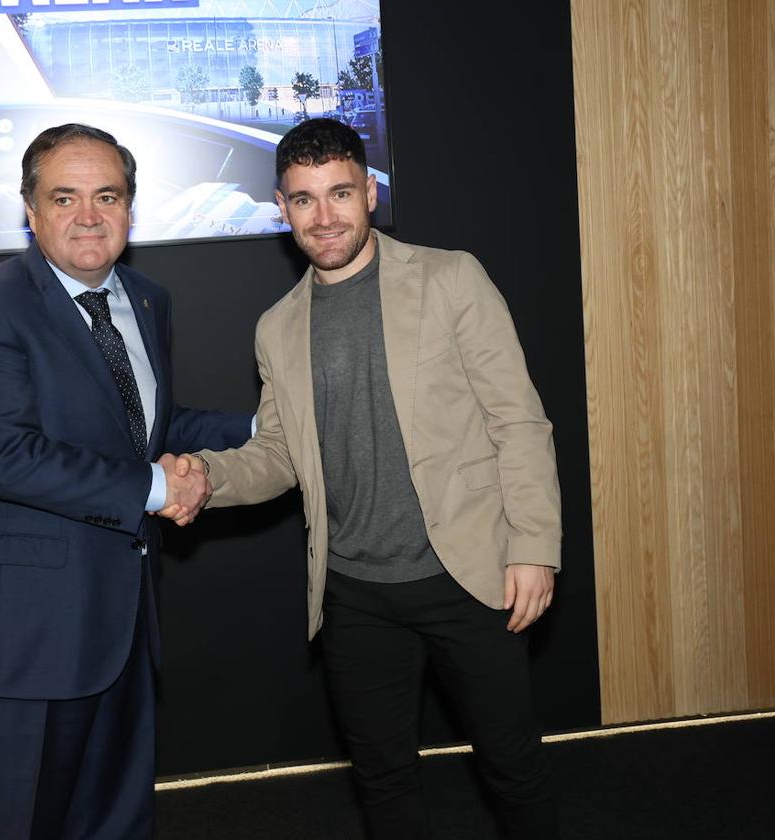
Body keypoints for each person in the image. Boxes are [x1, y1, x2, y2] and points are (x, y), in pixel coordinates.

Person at [175, 118, 562, 838]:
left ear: (371, 193)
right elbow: (280, 455)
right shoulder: (276, 327)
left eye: (340, 193)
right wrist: (205, 476)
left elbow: (518, 420)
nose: (324, 217)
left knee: (513, 770)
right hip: (353, 594)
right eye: (303, 199)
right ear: (282, 208)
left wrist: (534, 546)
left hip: (467, 576)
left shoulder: (450, 278)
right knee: (383, 783)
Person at [0, 122, 251, 839]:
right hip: (30, 637)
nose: (88, 215)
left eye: (107, 196)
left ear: (130, 207)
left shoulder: (147, 298)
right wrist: (160, 490)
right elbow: (9, 456)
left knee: (117, 822)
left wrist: (268, 428)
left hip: (125, 625)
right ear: (31, 210)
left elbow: (148, 428)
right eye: (64, 197)